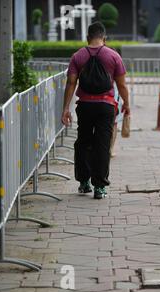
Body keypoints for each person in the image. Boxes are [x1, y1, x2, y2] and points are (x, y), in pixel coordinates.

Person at [61, 22, 130, 200]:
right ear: (104, 38)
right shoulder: (113, 56)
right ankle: (99, 187)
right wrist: (127, 104)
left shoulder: (78, 56)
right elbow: (121, 85)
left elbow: (71, 83)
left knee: (83, 142)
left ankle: (84, 183)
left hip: (84, 105)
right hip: (106, 106)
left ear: (87, 38)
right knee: (102, 145)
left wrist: (65, 109)